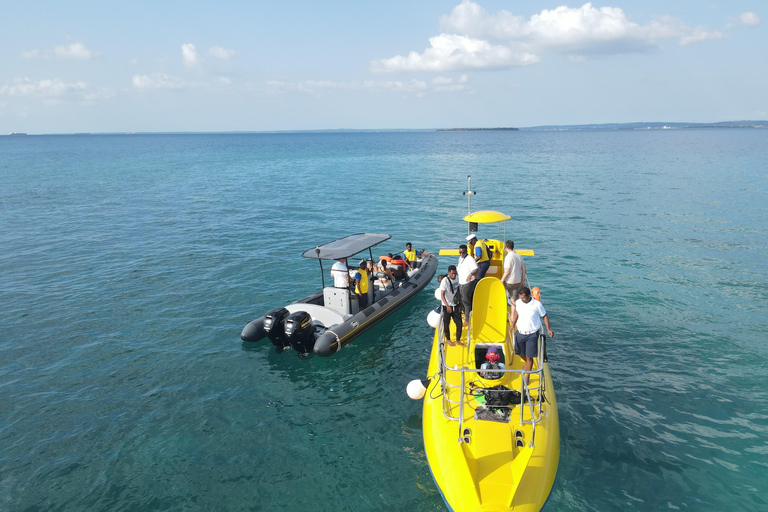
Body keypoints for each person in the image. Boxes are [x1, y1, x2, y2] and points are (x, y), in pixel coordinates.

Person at [511, 286, 553, 384]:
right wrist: (513, 324)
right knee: (520, 353)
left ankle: (527, 376)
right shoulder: (518, 302)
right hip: (520, 332)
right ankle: (528, 364)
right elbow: (517, 312)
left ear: (529, 295)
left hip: (532, 334)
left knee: (529, 357)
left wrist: (548, 329)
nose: (522, 300)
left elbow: (545, 316)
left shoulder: (537, 304)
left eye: (524, 298)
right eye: (520, 298)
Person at [439, 265, 462, 346]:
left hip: (455, 304)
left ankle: (458, 340)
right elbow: (442, 295)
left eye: (455, 273)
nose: (454, 275)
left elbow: (459, 289)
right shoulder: (444, 281)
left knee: (459, 323)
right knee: (446, 323)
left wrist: (460, 302)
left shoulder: (457, 278)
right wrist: (447, 306)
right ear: (449, 273)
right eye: (452, 274)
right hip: (447, 306)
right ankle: (448, 339)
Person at [457, 244, 478, 327]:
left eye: (463, 252)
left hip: (467, 283)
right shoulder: (461, 258)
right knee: (462, 299)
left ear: (466, 251)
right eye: (460, 252)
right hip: (461, 282)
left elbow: (476, 269)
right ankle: (466, 315)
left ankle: (467, 320)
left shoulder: (470, 259)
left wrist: (470, 274)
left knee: (466, 301)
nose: (461, 254)